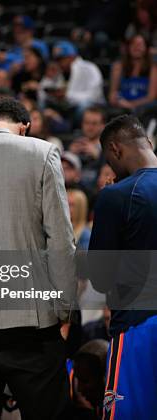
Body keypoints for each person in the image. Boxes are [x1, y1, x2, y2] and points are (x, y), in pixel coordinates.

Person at [0, 97, 76, 419]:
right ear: (24, 126)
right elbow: (61, 241)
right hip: (31, 322)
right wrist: (65, 310)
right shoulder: (41, 152)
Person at [88, 115, 157, 419]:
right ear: (149, 143)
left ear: (115, 150)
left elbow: (100, 277)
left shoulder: (116, 196)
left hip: (138, 325)